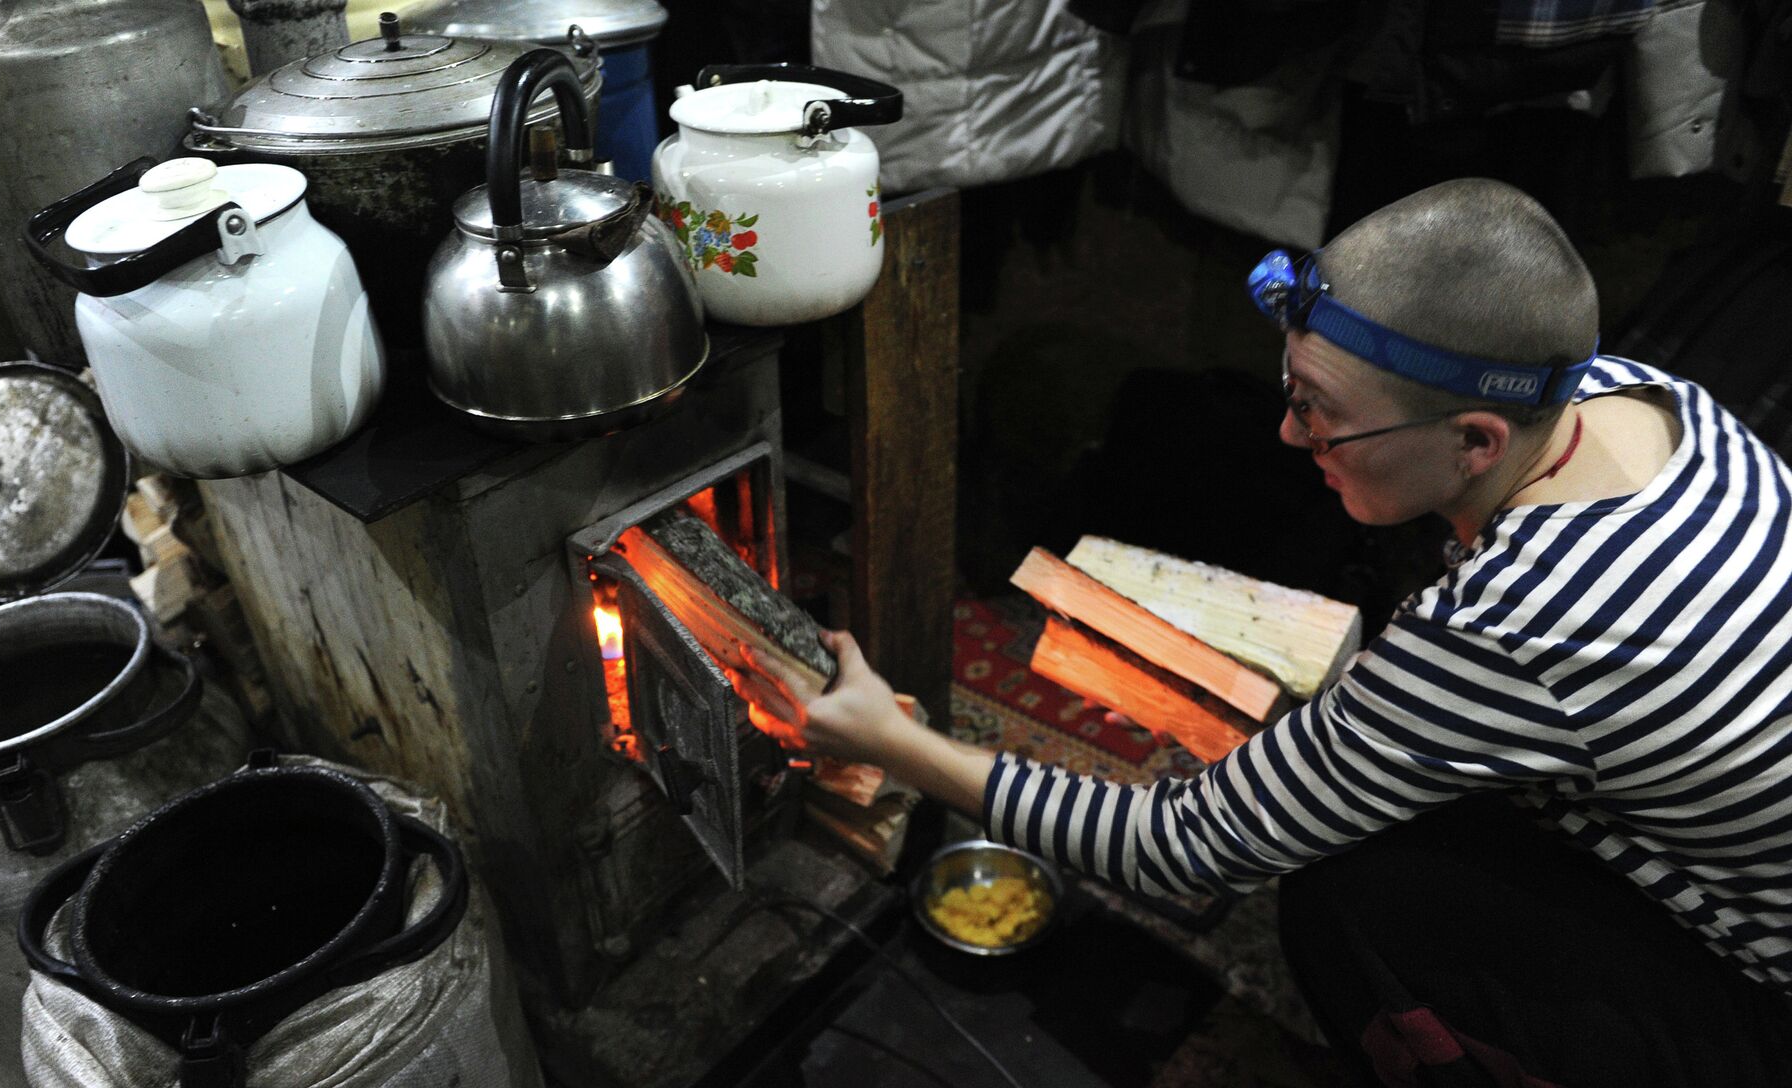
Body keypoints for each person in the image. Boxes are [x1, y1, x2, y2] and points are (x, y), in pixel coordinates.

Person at [744, 178, 1792, 1086]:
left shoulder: (1517, 621)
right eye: (1293, 390)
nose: (1292, 434)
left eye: (1323, 413)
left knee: (1348, 892)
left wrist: (894, 740)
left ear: (1476, 437)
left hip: (1758, 999)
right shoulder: (1650, 401)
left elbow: (1181, 845)